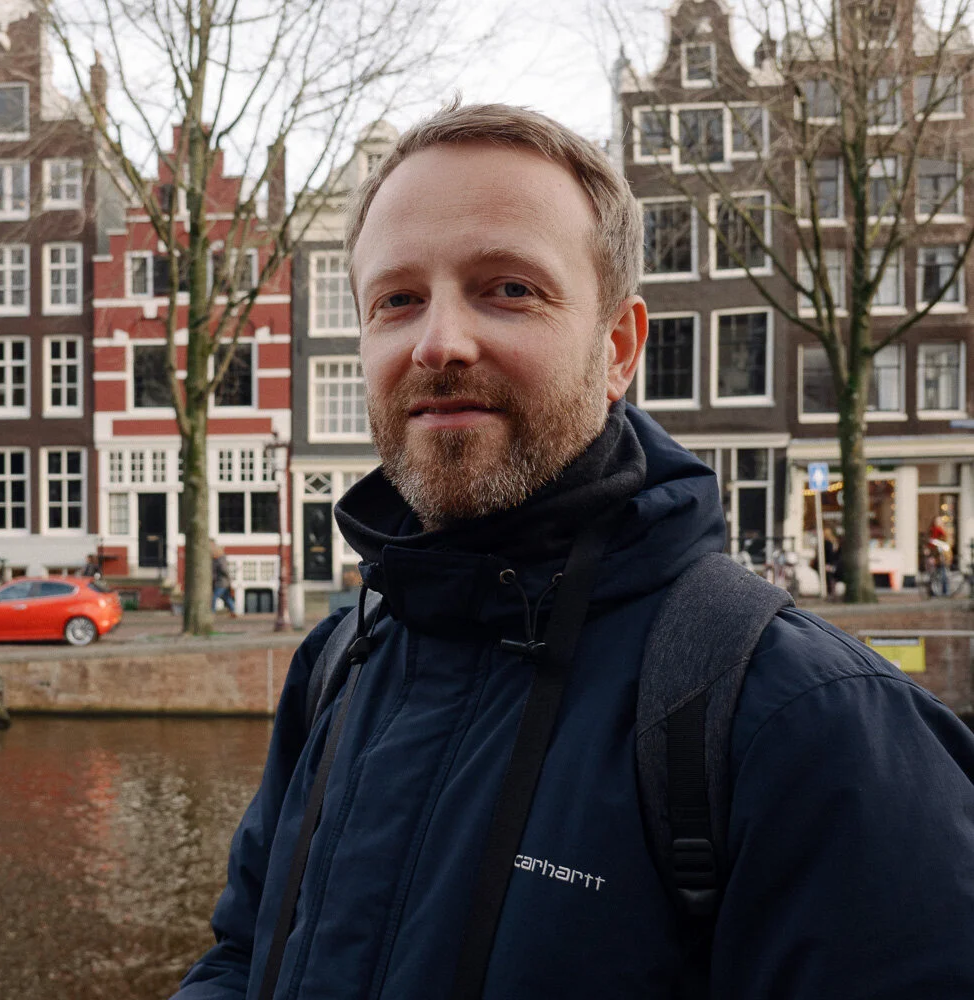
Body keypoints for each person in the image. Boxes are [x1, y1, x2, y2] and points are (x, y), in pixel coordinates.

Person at [174, 104, 974, 999]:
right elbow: (244, 956)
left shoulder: (807, 721)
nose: (438, 343)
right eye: (397, 300)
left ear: (619, 348)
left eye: (509, 289)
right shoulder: (336, 667)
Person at [212, 544, 239, 618]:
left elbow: (224, 570)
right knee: (226, 597)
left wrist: (227, 578)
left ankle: (212, 612)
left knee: (214, 597)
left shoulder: (220, 559)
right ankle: (233, 611)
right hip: (222, 582)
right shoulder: (217, 559)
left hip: (221, 583)